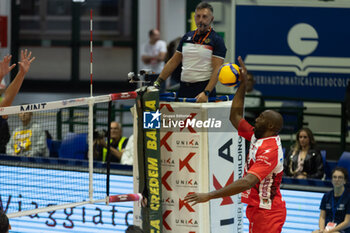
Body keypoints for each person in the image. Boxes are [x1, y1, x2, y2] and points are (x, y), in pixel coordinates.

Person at [184, 56, 286, 233]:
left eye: (261, 117)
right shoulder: (258, 135)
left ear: (271, 126)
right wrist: (243, 84)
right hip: (258, 207)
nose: (256, 118)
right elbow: (235, 117)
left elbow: (247, 182)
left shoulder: (270, 150)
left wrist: (209, 195)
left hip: (268, 211)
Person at [154, 2, 227, 102]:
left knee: (202, 118)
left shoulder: (217, 40)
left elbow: (217, 70)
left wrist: (206, 92)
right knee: (182, 117)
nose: (201, 20)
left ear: (211, 19)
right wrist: (158, 82)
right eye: (198, 16)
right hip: (184, 87)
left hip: (203, 89)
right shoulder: (186, 37)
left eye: (205, 16)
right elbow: (173, 61)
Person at [312, 167, 350, 233]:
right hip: (327, 229)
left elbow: (347, 222)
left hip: (342, 230)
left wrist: (330, 231)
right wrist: (321, 230)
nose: (337, 180)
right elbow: (322, 217)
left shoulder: (348, 197)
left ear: (344, 181)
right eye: (334, 177)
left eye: (340, 177)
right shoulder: (326, 196)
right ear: (332, 180)